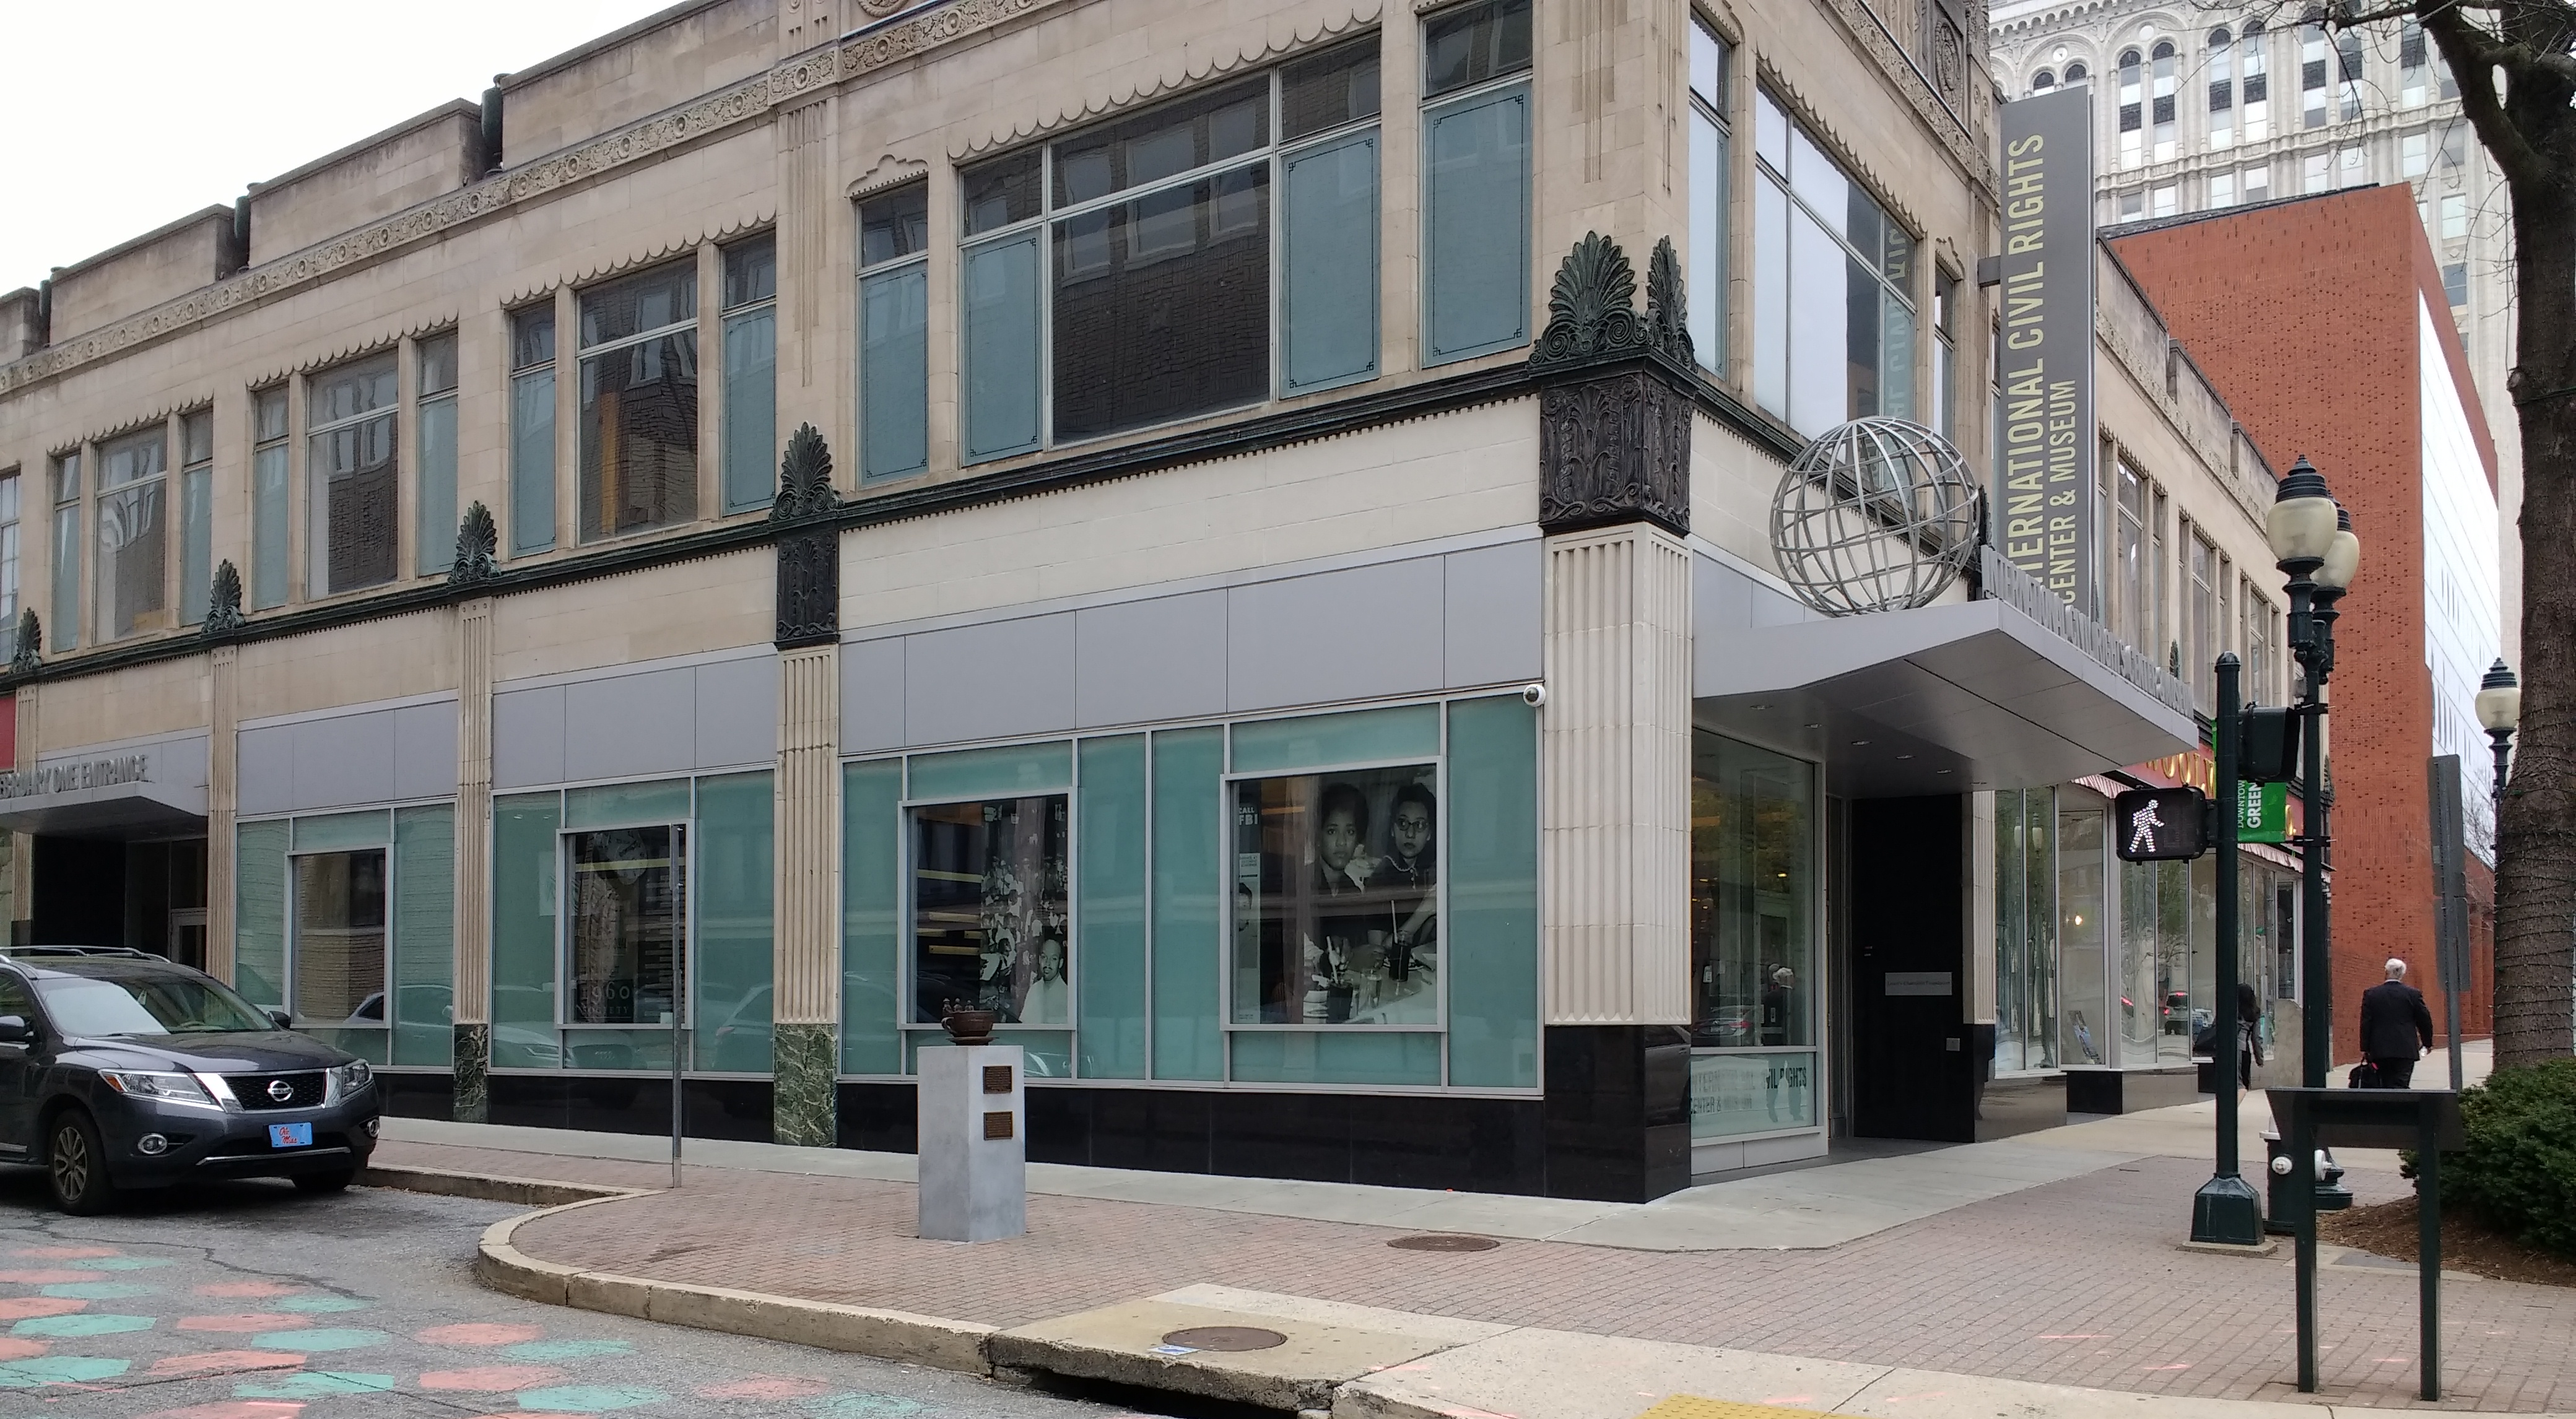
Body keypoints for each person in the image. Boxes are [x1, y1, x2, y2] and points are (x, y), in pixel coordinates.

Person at [1378, 784, 1438, 981]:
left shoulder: (1422, 873)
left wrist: (1431, 919)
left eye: (1419, 825)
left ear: (1429, 834)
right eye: (1403, 823)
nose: (1410, 834)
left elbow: (1418, 941)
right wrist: (1425, 912)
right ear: (1393, 829)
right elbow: (1378, 951)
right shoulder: (1381, 877)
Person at [2357, 958, 2434, 1088]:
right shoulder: (2413, 994)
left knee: (2382, 1084)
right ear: (2402, 974)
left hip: (2379, 1050)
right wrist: (2427, 1043)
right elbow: (2424, 1020)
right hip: (2406, 1049)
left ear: (2386, 972)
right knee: (2401, 1085)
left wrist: (2365, 1047)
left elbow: (2366, 1022)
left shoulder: (2371, 994)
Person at [1020, 937, 1069, 1025]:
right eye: (1044, 957)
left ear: (1061, 963)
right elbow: (1025, 1023)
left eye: (1053, 959)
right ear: (1039, 960)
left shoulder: (1067, 994)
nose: (1047, 963)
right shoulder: (1034, 990)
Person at [2234, 981, 2265, 1090]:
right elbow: (2256, 1038)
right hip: (2243, 1050)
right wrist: (2259, 1059)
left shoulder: (2228, 1009)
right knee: (2242, 1085)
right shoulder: (2254, 1013)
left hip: (2225, 1051)